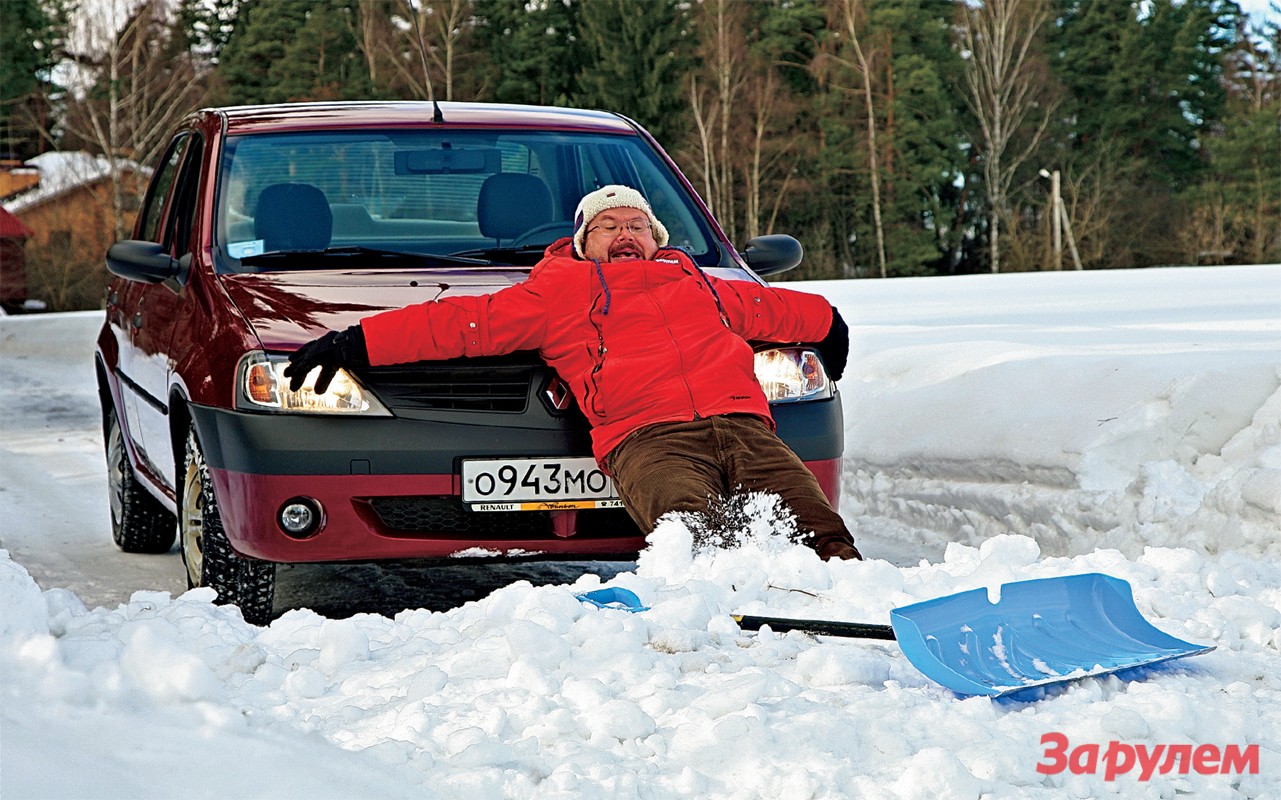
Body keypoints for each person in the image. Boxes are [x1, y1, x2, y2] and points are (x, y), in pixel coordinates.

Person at [285, 185, 861, 561]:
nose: (625, 234)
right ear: (585, 242)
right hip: (650, 439)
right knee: (694, 534)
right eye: (609, 226)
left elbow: (777, 309)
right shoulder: (556, 292)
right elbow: (458, 323)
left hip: (743, 428)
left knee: (815, 523)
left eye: (637, 225)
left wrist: (829, 324)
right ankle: (721, 619)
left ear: (656, 241)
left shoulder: (698, 283)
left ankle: (850, 603)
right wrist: (357, 341)